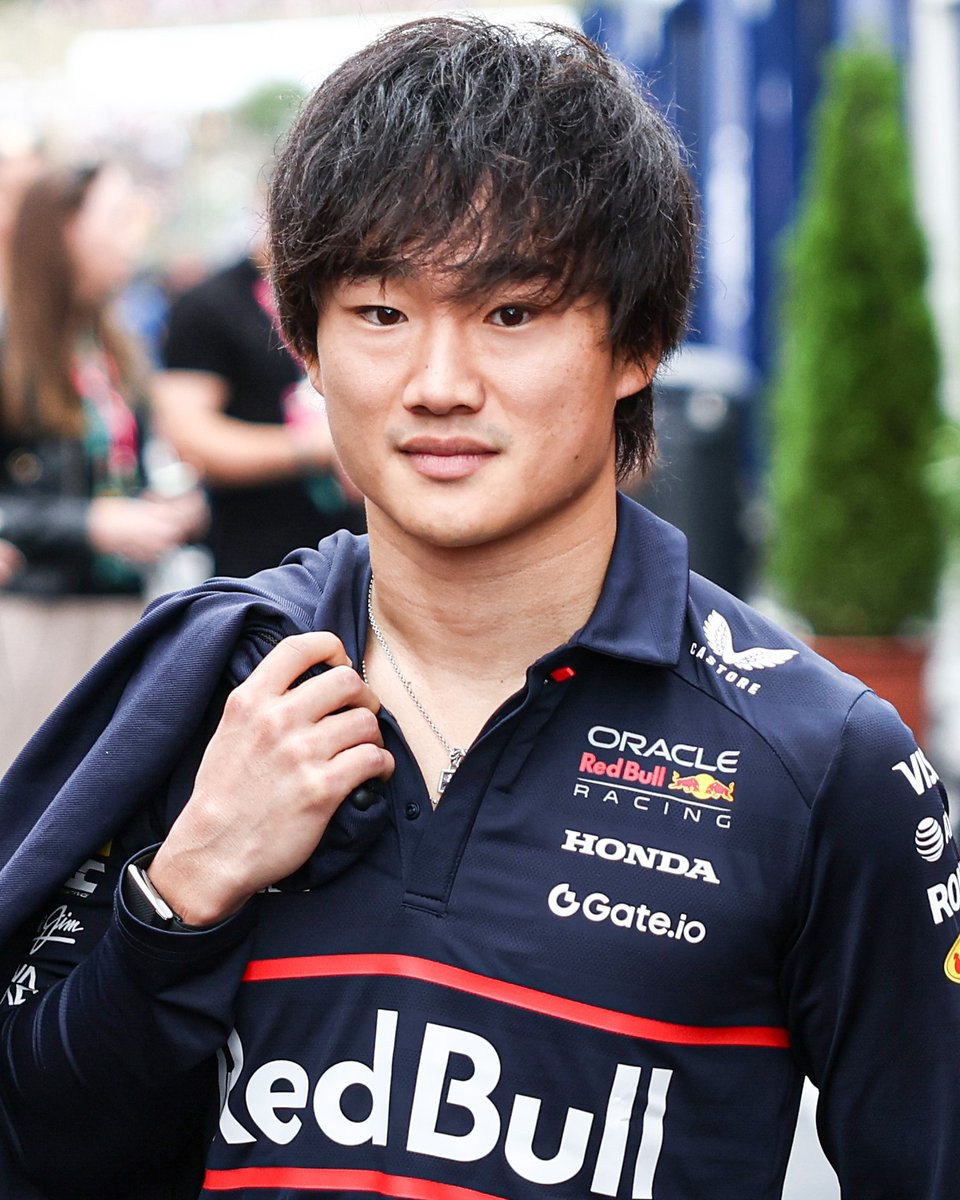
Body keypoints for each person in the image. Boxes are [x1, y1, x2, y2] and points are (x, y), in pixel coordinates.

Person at [0, 17, 957, 1200]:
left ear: (639, 344)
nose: (439, 385)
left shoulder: (819, 760)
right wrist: (183, 891)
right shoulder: (208, 689)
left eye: (512, 313)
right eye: (381, 312)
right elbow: (40, 1148)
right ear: (306, 344)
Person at [0, 162, 207, 772]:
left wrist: (167, 505)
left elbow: (125, 467)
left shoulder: (111, 345)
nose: (132, 237)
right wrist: (91, 523)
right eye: (117, 218)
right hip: (38, 614)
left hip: (121, 608)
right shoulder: (13, 348)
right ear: (63, 230)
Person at [153, 235, 365, 578]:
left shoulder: (352, 292)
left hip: (359, 555)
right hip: (259, 564)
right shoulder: (209, 305)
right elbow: (189, 438)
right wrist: (322, 447)